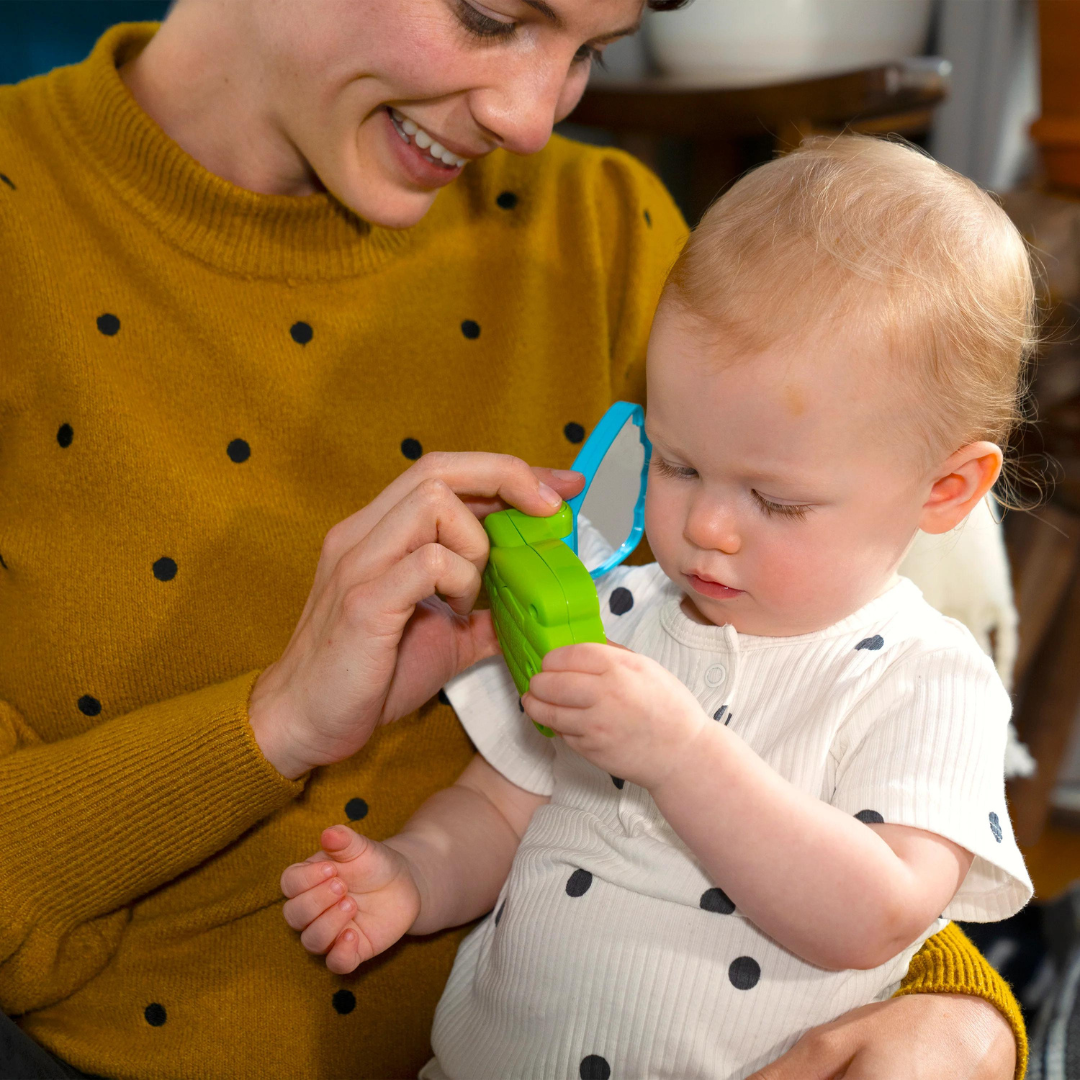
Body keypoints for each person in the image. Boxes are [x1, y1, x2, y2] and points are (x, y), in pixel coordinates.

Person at [0, 0, 1023, 1073]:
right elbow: (519, 802)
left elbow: (853, 816)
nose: (532, 119)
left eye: (591, 52)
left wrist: (959, 1019)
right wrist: (285, 725)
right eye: (491, 15)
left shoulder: (610, 232)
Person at [282, 136, 1034, 1079]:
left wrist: (684, 758)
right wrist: (415, 875)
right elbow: (499, 810)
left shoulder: (927, 680)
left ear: (946, 490)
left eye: (776, 502)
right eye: (677, 464)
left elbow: (877, 915)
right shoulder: (616, 612)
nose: (707, 526)